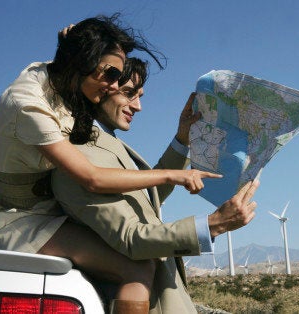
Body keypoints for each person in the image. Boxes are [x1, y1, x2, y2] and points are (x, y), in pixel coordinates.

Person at [0, 15, 229, 313]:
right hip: (24, 219)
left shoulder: (66, 84)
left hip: (51, 211)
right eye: (112, 77)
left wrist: (181, 141)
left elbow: (142, 198)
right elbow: (93, 180)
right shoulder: (29, 105)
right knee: (135, 269)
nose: (114, 85)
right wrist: (177, 179)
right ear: (79, 62)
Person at [51, 57, 259, 313]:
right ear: (99, 89)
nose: (138, 106)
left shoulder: (105, 142)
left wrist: (182, 139)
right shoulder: (80, 154)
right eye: (128, 93)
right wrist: (213, 225)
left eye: (139, 95)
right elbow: (132, 237)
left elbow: (143, 197)